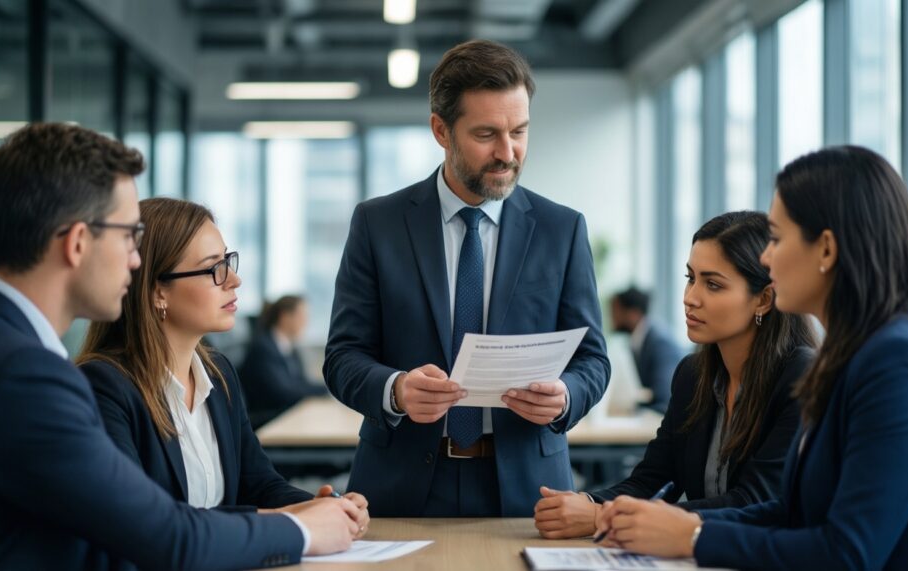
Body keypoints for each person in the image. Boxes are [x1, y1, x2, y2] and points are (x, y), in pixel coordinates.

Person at [0, 123, 358, 570]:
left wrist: (317, 511)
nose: (136, 259)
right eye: (127, 236)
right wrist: (303, 528)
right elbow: (164, 538)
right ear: (78, 242)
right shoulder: (25, 375)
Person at [596, 146, 908, 569]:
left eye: (776, 238)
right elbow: (792, 513)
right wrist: (678, 527)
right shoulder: (856, 353)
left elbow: (848, 553)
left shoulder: (901, 362)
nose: (767, 257)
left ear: (826, 250)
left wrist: (695, 536)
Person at [323, 39, 610, 517]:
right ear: (442, 130)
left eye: (519, 131)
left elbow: (593, 359)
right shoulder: (379, 224)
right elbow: (342, 356)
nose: (508, 152)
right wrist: (395, 389)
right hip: (400, 483)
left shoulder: (563, 228)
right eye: (486, 134)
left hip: (529, 489)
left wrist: (565, 398)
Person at [76, 198, 368, 532]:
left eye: (228, 260)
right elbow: (145, 521)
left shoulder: (219, 373)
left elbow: (259, 484)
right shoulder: (104, 387)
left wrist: (324, 506)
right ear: (159, 291)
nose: (234, 280)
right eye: (213, 267)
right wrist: (292, 521)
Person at [535, 211, 815, 539]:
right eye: (690, 278)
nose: (689, 298)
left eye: (712, 284)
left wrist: (604, 515)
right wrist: (584, 502)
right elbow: (651, 479)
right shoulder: (693, 375)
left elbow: (754, 501)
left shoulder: (800, 376)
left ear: (764, 299)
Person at [239, 295, 327, 427]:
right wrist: (325, 390)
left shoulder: (289, 347)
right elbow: (283, 392)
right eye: (301, 316)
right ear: (285, 317)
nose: (306, 322)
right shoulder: (263, 348)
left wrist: (327, 388)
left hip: (286, 415)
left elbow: (302, 382)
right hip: (268, 421)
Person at [610, 287, 686, 412]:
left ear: (633, 313)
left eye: (616, 311)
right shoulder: (638, 340)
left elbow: (665, 397)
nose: (612, 318)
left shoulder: (660, 343)